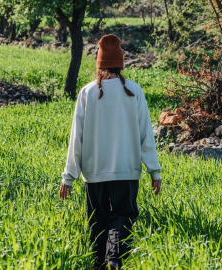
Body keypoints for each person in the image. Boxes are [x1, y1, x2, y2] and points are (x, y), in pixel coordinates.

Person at [59, 34, 162, 270]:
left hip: (94, 173)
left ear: (99, 64)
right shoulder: (134, 91)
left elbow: (77, 137)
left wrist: (69, 176)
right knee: (123, 215)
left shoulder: (87, 92)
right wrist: (154, 171)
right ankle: (114, 260)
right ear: (120, 64)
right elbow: (147, 135)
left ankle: (98, 265)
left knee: (97, 221)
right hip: (127, 171)